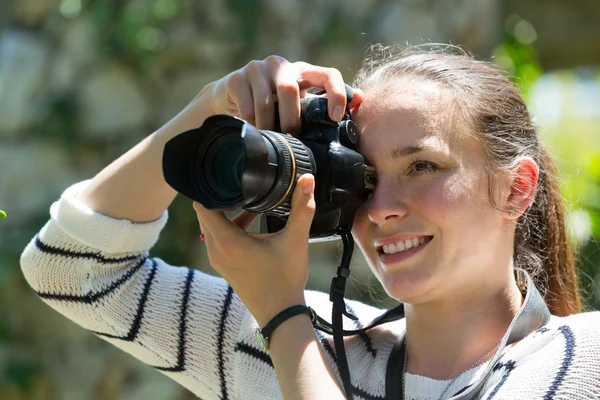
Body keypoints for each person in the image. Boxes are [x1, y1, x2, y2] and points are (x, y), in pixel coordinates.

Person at [20, 44, 600, 400]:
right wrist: (212, 107)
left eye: (421, 166)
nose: (383, 206)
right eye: (365, 175)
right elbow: (72, 270)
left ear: (516, 188)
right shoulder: (310, 342)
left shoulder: (580, 360)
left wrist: (283, 317)